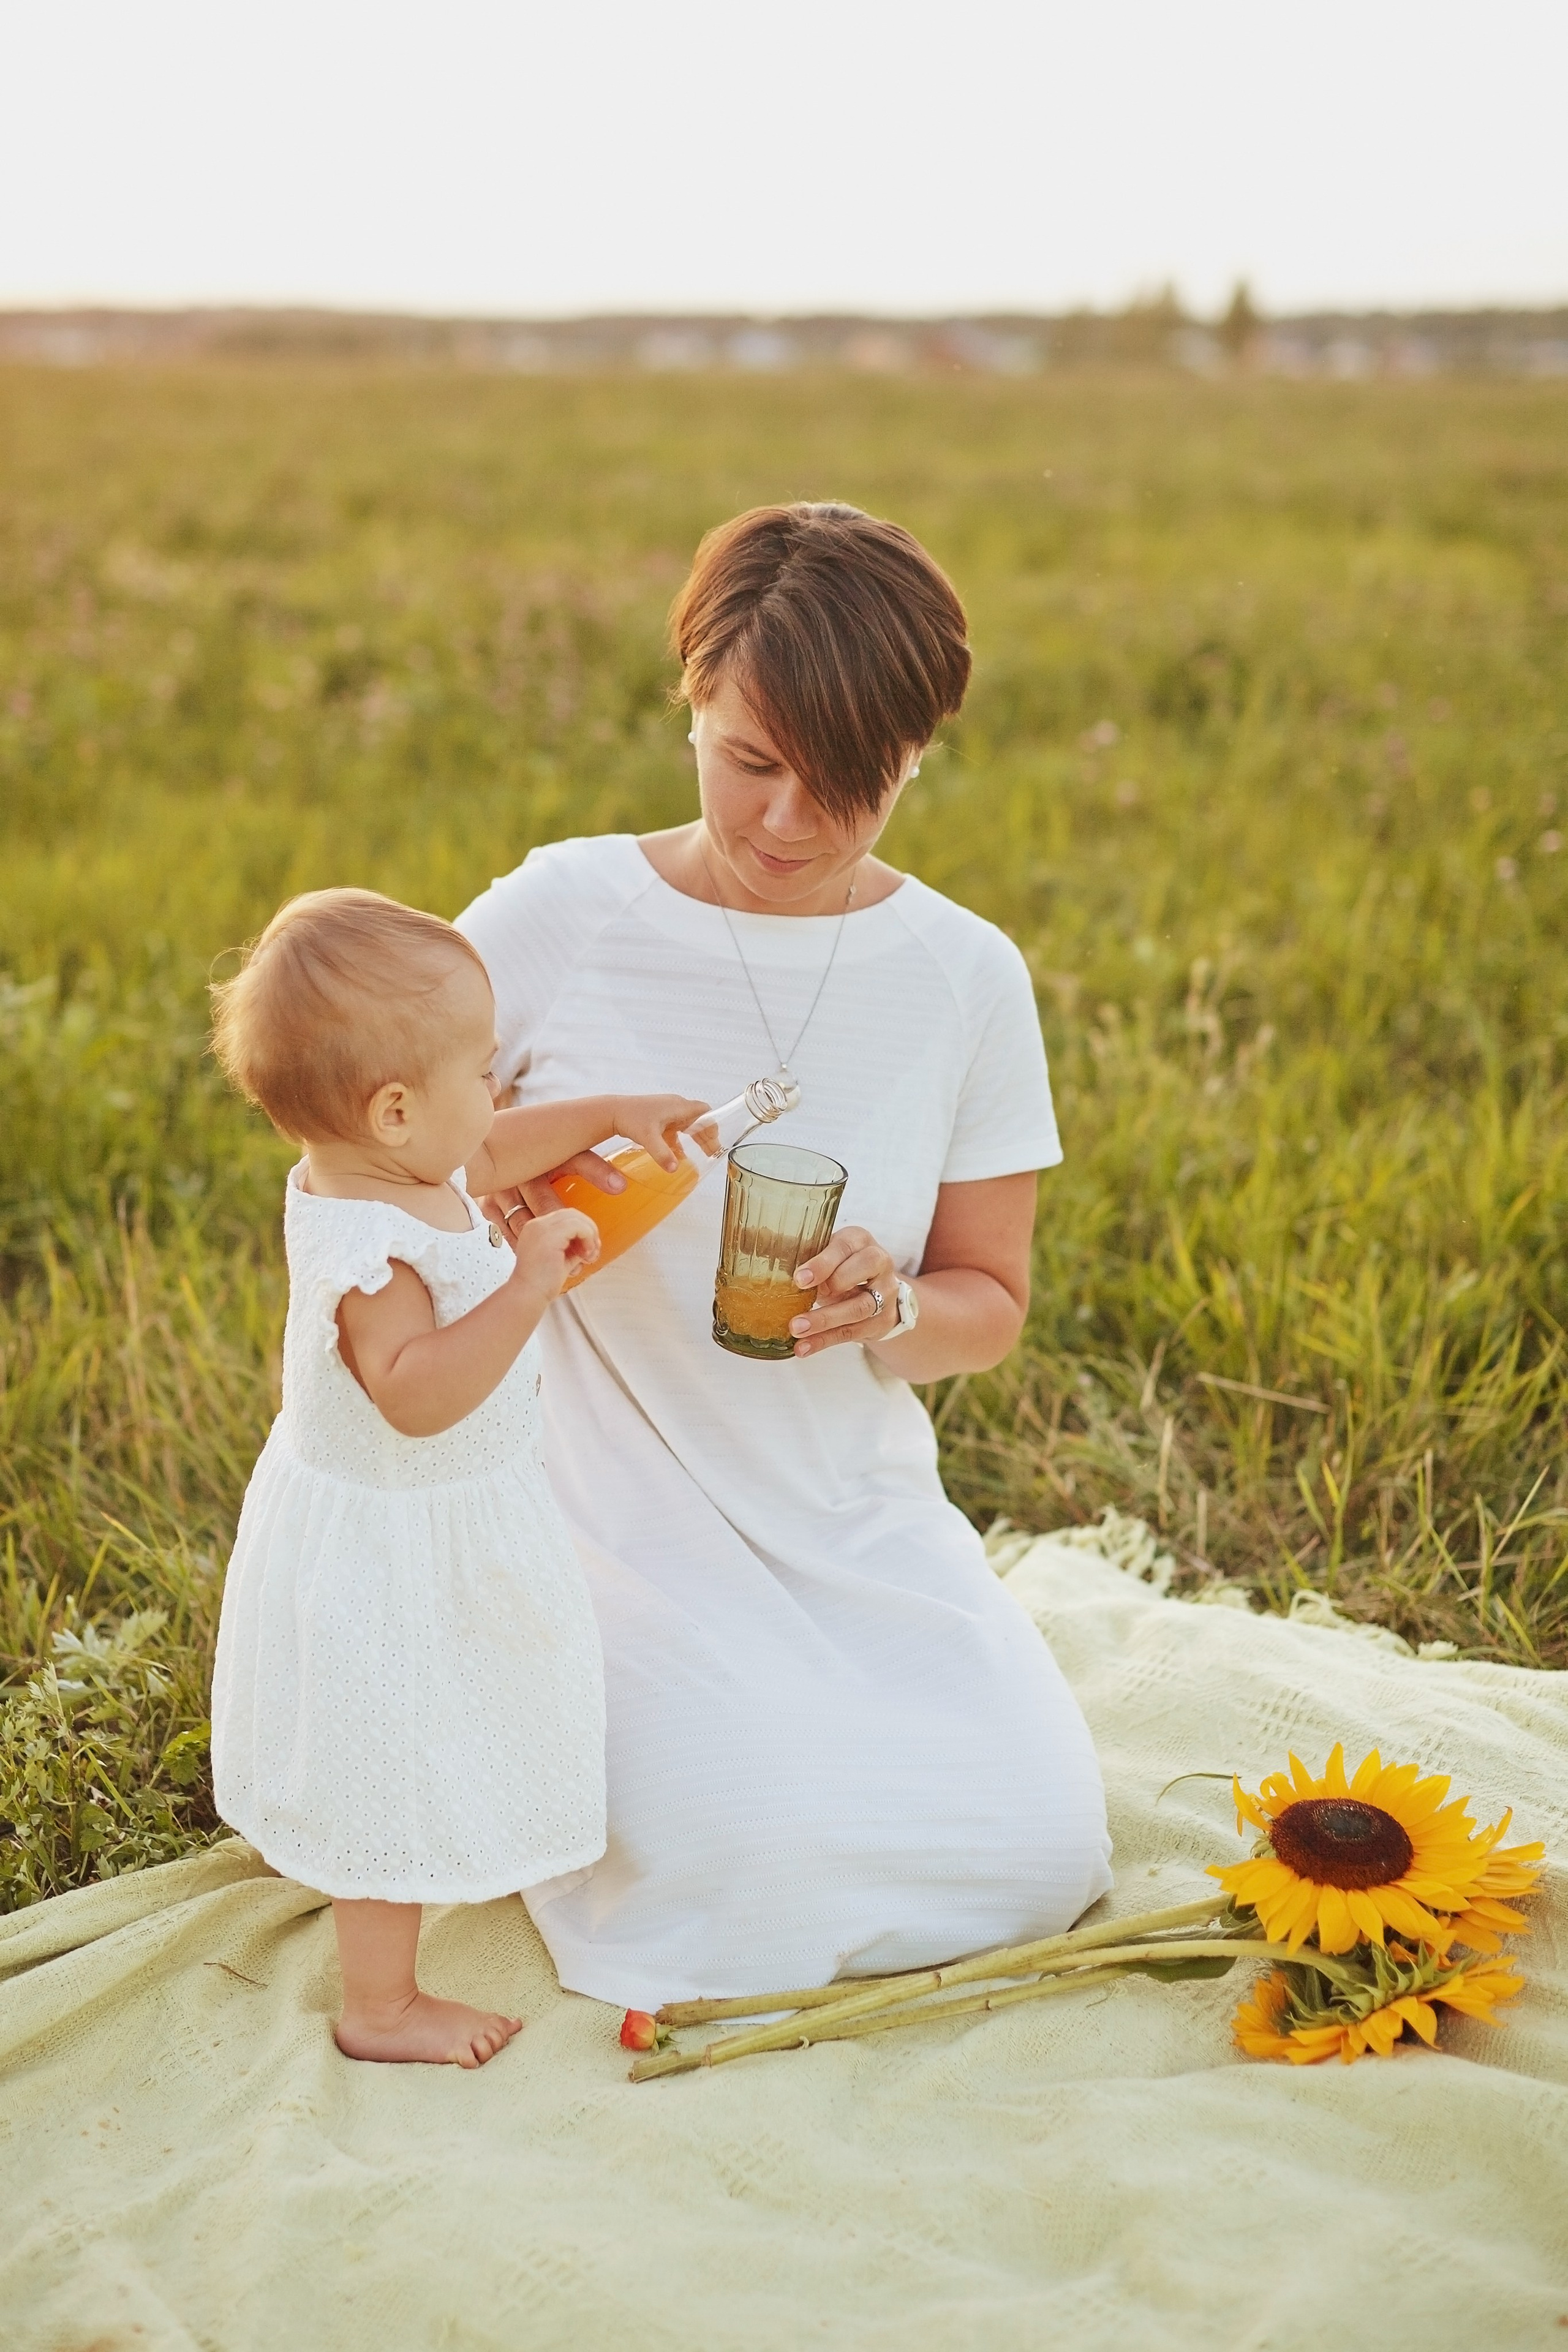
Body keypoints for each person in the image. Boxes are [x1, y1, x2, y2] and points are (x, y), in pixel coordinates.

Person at [458, 502, 1112, 2008]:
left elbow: (988, 1305)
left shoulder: (962, 976)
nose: (788, 825)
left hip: (842, 1510)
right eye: (751, 762)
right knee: (743, 1884)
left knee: (1033, 1854)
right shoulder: (559, 914)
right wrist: (497, 1196)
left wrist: (890, 1306)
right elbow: (364, 1151)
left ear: (920, 750)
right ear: (689, 696)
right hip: (598, 1514)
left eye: (853, 782)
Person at [208, 887, 705, 2064]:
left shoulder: (402, 1165)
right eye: (484, 1070)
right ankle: (380, 2005)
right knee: (389, 1750)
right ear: (392, 1109)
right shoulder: (365, 1247)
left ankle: (456, 1846)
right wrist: (528, 1283)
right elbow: (416, 1396)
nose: (498, 1096)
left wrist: (620, 1116)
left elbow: (486, 1149)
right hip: (390, 1539)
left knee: (452, 1707)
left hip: (441, 1524)